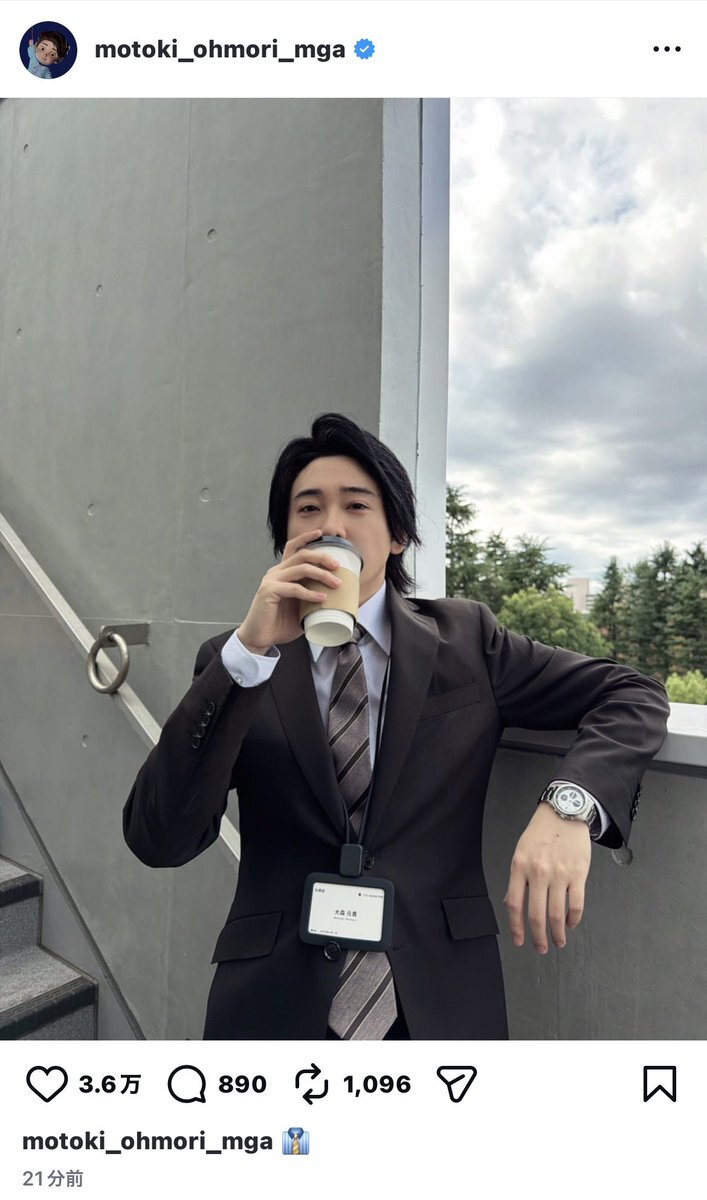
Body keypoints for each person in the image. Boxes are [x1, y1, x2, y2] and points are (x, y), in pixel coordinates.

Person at [123, 412, 670, 1039]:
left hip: (440, 998)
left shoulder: (467, 640)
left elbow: (632, 693)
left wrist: (568, 806)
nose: (331, 525)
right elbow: (158, 838)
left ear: (398, 534)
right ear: (286, 540)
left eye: (356, 505)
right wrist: (248, 652)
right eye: (308, 509)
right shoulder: (240, 659)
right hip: (272, 1002)